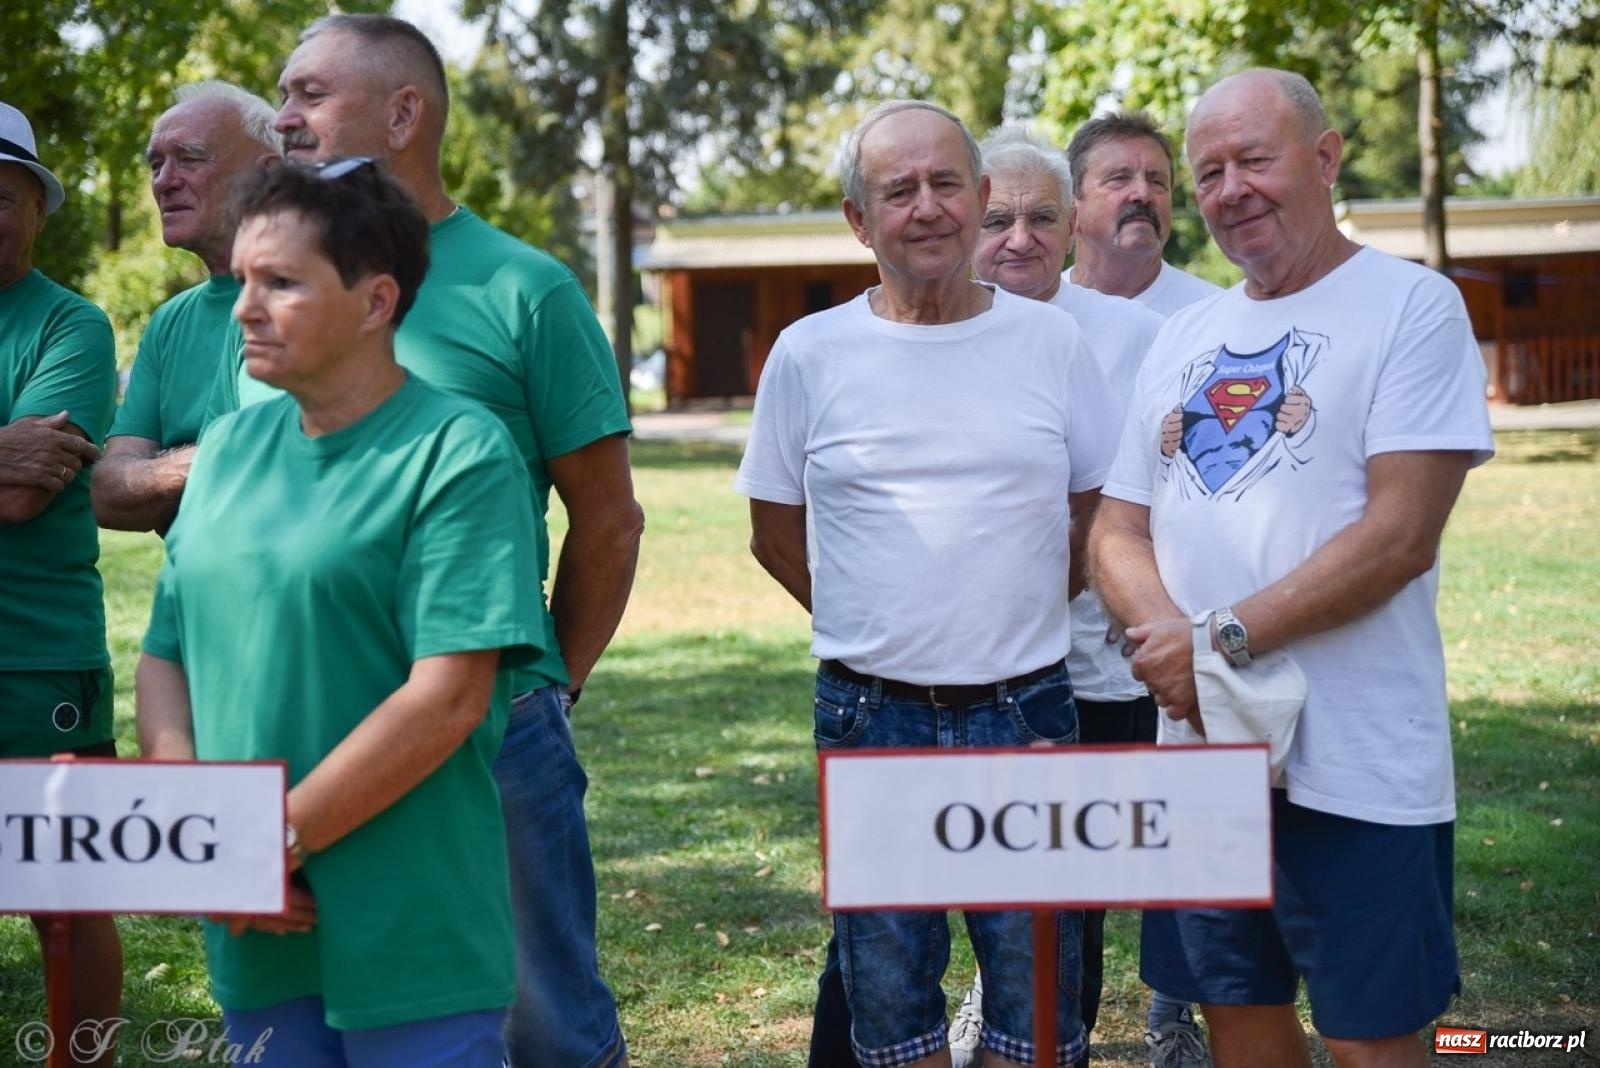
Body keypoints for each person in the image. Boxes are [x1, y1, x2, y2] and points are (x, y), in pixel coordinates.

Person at [205, 16, 644, 1067]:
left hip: (486, 730)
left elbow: (609, 517)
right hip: (298, 731)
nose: (285, 116)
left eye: (309, 92)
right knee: (315, 1009)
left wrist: (542, 688)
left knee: (539, 1017)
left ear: (404, 112)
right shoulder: (270, 292)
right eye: (282, 96)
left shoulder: (523, 289)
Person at [1090, 69, 1493, 1068]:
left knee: (1369, 1036)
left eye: (1254, 160)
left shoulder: (1413, 308)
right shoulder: (1181, 335)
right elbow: (1115, 527)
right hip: (1203, 756)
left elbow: (1400, 535)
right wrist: (1172, 647)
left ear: (1323, 157)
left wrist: (1215, 643)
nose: (1231, 190)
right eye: (1211, 171)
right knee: (1237, 1013)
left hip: (1356, 760)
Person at [738, 98, 1120, 1068]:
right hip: (871, 719)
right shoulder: (809, 353)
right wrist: (873, 622)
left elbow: (1097, 508)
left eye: (946, 183)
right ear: (858, 221)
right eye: (896, 191)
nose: (927, 208)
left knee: (1037, 1014)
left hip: (1028, 710)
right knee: (890, 1016)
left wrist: (1024, 607)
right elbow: (773, 531)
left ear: (981, 196)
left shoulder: (1051, 345)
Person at [137, 158, 545, 1067]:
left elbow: (447, 696)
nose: (244, 307)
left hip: (410, 924)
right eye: (242, 279)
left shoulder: (459, 451)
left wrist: (261, 843)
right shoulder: (229, 448)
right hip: (256, 931)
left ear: (375, 301)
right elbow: (167, 652)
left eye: (281, 282)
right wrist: (203, 838)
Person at [963, 125, 1171, 1068]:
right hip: (964, 671)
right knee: (960, 880)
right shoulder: (927, 330)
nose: (1020, 237)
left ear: (1071, 221)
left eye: (1042, 216)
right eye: (997, 217)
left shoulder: (1142, 341)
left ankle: (1063, 1041)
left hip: (1101, 673)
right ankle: (985, 1017)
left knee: (1072, 901)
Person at [0, 100, 121, 1068]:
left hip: (42, 663)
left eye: (5, 196)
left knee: (67, 907)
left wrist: (12, 464)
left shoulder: (72, 325)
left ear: (39, 209)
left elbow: (23, 496)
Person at [92, 82, 279, 535]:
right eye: (156, 164)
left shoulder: (325, 291)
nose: (163, 180)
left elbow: (288, 467)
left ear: (268, 175)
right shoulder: (171, 321)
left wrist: (156, 471)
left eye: (190, 158)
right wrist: (219, 456)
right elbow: (108, 495)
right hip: (191, 600)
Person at [1063, 112, 1219, 315]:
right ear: (1071, 202)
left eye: (1157, 182)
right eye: (1119, 178)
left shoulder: (1210, 315)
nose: (1143, 194)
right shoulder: (1040, 312)